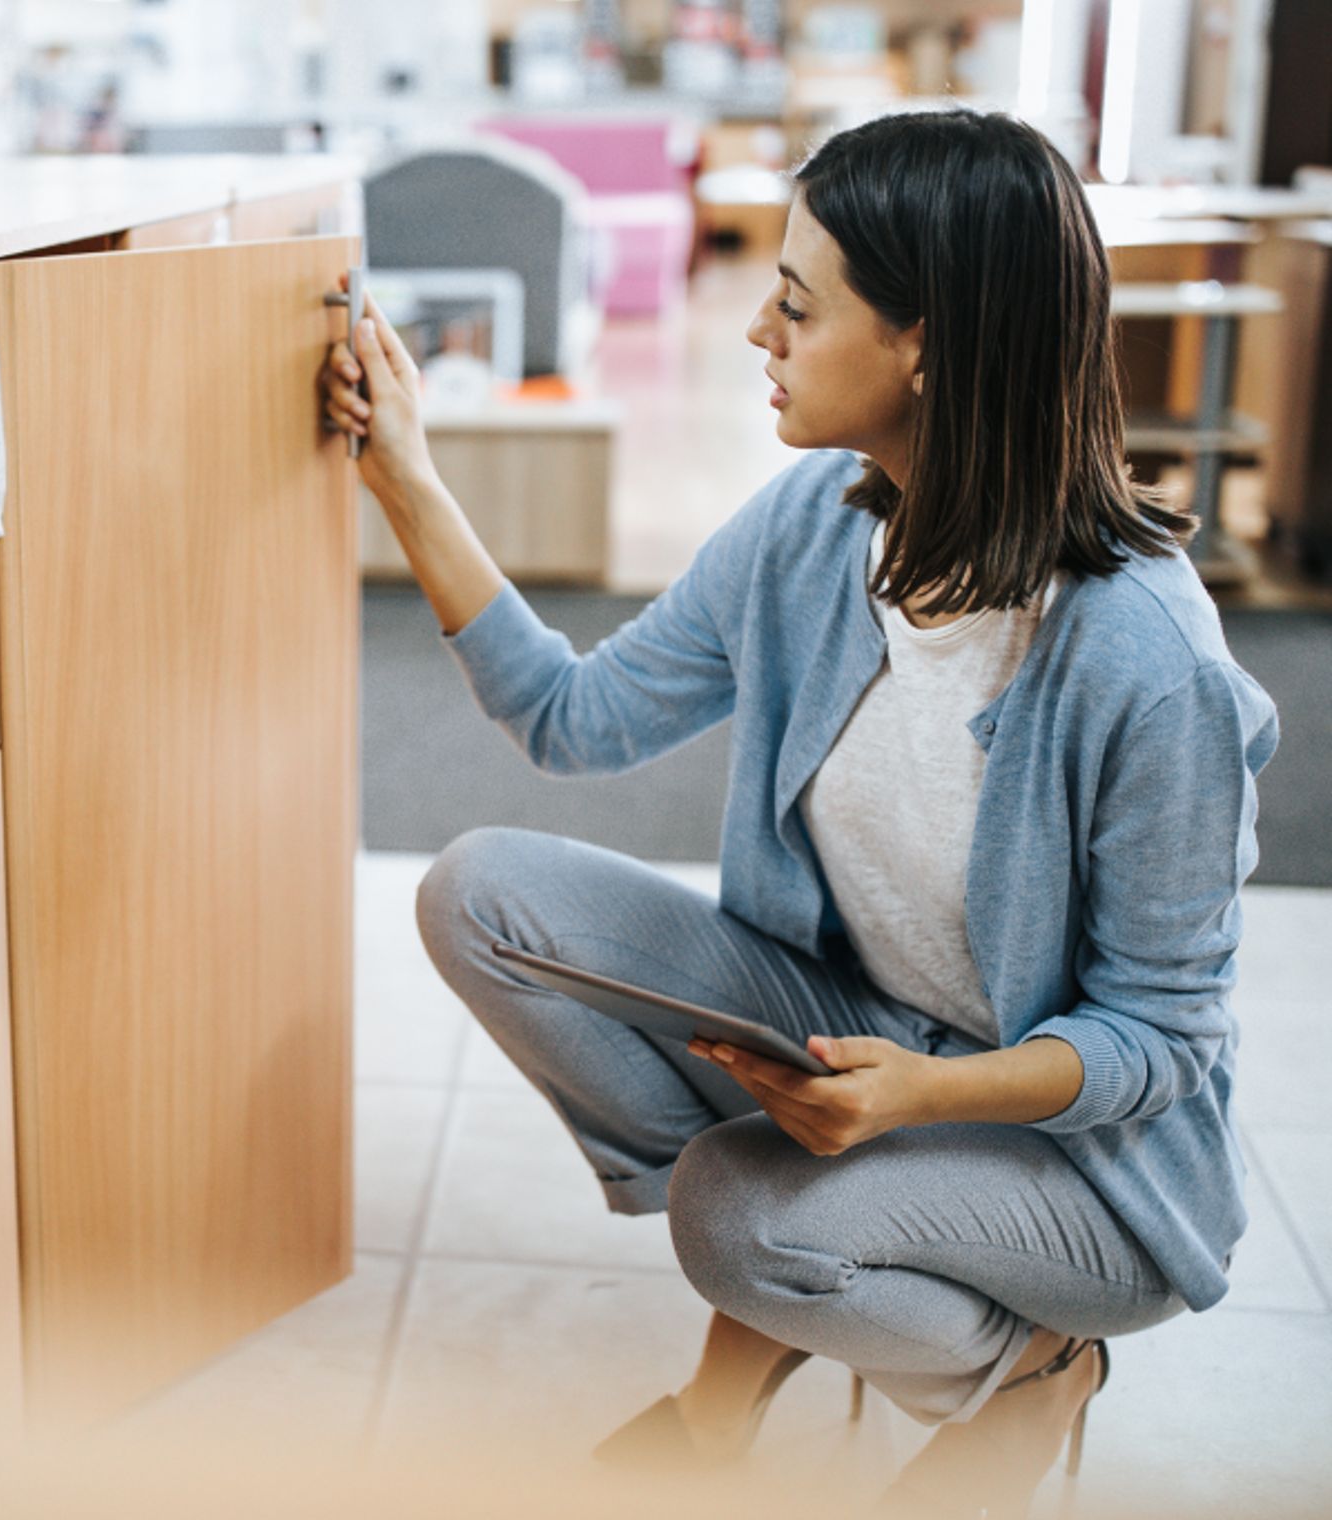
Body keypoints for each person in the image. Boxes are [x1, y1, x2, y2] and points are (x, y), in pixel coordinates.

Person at [320, 107, 1280, 1518]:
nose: (759, 334)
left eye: (794, 303)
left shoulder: (1148, 662)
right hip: (864, 1028)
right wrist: (403, 467)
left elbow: (1163, 1037)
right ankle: (802, 1251)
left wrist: (925, 1098)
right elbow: (573, 720)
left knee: (734, 1217)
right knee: (482, 893)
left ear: (928, 346)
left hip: (1076, 1156)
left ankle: (1030, 1367)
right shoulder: (815, 527)